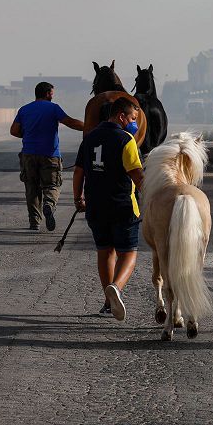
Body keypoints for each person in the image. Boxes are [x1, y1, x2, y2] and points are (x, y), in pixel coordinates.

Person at [73, 97, 144, 320]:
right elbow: (137, 175)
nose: (134, 123)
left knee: (105, 252)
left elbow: (78, 172)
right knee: (129, 252)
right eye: (133, 118)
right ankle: (116, 287)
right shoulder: (126, 140)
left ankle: (107, 302)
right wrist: (153, 194)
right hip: (123, 206)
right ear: (121, 116)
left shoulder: (90, 137)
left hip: (96, 206)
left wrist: (78, 198)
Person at [10, 82, 84, 231]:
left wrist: (28, 135)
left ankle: (34, 223)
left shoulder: (24, 110)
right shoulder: (53, 108)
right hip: (50, 155)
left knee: (32, 188)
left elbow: (14, 131)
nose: (53, 95)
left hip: (28, 155)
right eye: (52, 93)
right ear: (47, 94)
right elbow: (69, 122)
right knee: (52, 185)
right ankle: (49, 205)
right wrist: (90, 127)